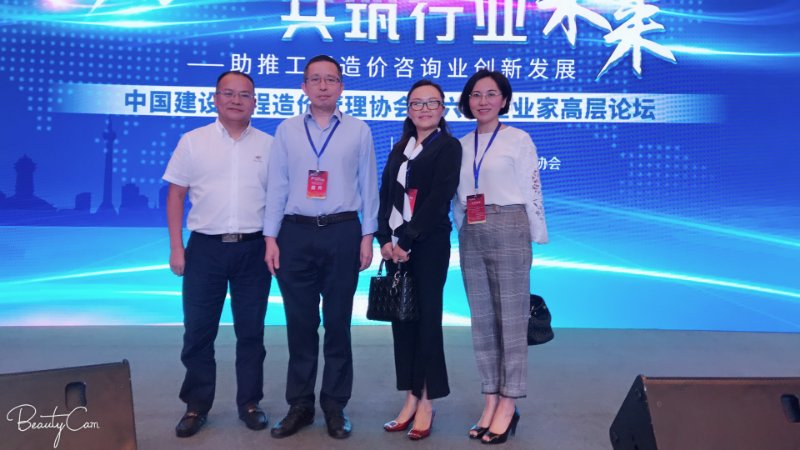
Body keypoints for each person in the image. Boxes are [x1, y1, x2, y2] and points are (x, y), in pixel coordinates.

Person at [263, 55, 378, 440]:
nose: (323, 86)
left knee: (338, 323)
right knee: (300, 324)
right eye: (316, 79)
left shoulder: (358, 130)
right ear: (304, 87)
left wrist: (367, 236)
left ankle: (334, 405)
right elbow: (277, 185)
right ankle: (299, 404)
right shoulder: (287, 130)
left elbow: (369, 185)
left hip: (343, 231)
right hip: (294, 234)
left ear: (341, 86)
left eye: (331, 79)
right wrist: (270, 238)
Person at [163, 70, 273, 438]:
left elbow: (278, 200)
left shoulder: (270, 145)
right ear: (215, 98)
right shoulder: (193, 141)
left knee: (251, 333)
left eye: (244, 95)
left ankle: (250, 403)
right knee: (198, 333)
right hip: (204, 249)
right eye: (228, 93)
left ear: (255, 102)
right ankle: (196, 406)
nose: (236, 100)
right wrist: (176, 247)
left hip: (253, 249)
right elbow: (176, 195)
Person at [453, 70, 548, 445]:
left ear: (504, 100)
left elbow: (532, 188)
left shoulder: (518, 139)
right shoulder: (461, 145)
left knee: (511, 320)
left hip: (510, 225)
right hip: (471, 230)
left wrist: (536, 233)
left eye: (491, 94)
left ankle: (509, 402)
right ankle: (490, 398)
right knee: (482, 321)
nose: (483, 101)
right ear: (467, 101)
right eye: (476, 95)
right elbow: (456, 195)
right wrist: (462, 226)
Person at [375, 80, 462, 441]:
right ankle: (410, 396)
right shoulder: (400, 148)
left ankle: (427, 400)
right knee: (403, 321)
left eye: (431, 103)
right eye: (416, 103)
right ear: (408, 110)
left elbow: (439, 199)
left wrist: (408, 239)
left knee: (426, 321)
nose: (424, 109)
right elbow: (386, 196)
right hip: (397, 246)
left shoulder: (449, 147)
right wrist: (384, 239)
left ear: (442, 109)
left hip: (428, 245)